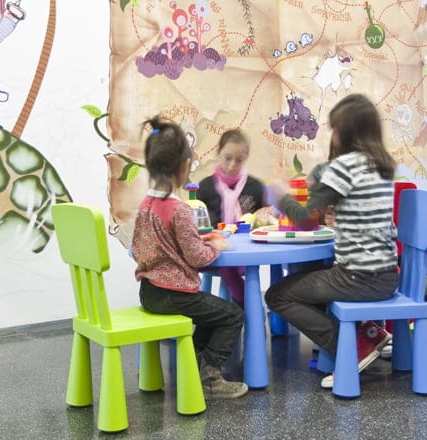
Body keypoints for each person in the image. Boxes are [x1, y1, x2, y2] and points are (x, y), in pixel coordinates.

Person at [264, 94, 394, 389]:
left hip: (357, 278)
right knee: (310, 276)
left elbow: (304, 216)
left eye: (334, 129)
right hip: (387, 276)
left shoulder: (344, 167)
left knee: (278, 295)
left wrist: (280, 193)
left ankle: (352, 347)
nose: (332, 136)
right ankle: (370, 333)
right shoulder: (380, 167)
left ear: (345, 133)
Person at [131, 116, 248, 399]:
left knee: (212, 312)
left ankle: (192, 364)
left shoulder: (146, 205)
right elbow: (197, 258)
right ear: (184, 166)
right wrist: (215, 246)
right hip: (175, 294)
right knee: (232, 315)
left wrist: (193, 240)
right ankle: (210, 379)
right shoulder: (179, 209)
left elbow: (142, 246)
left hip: (149, 292)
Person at [196, 128, 269, 304]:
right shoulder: (205, 188)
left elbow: (265, 223)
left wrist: (264, 215)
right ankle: (246, 305)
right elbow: (197, 226)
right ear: (218, 152)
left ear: (246, 158)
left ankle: (242, 307)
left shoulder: (255, 187)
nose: (232, 165)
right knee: (223, 257)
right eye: (228, 158)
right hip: (214, 253)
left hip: (247, 252)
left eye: (239, 160)